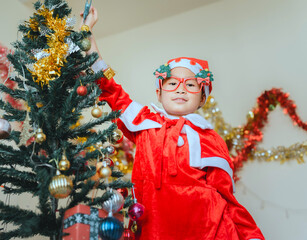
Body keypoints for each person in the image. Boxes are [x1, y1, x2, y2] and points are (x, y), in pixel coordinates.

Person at [81, 7, 265, 240]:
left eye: (190, 84)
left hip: (210, 232)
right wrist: (87, 33)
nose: (180, 88)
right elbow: (109, 88)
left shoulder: (211, 138)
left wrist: (251, 236)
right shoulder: (143, 121)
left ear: (202, 99)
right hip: (154, 230)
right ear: (159, 93)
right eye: (172, 83)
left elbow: (226, 198)